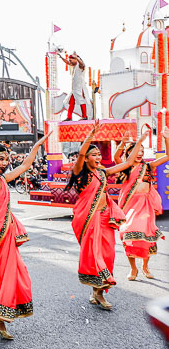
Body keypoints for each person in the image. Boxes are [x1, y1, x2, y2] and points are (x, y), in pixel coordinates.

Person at [0, 121, 49, 339]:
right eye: (0, 159)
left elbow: (25, 166)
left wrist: (37, 146)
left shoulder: (4, 179)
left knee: (11, 274)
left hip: (6, 235)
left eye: (6, 159)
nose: (5, 163)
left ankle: (1, 318)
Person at [68, 122, 144, 310]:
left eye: (99, 155)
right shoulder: (80, 172)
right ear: (86, 159)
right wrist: (91, 136)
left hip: (105, 217)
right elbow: (81, 154)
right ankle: (101, 291)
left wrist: (140, 141)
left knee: (108, 255)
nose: (98, 157)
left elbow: (126, 163)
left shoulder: (102, 172)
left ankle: (96, 292)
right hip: (89, 218)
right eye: (93, 155)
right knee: (95, 255)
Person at [115, 128, 169, 280]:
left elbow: (168, 156)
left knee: (146, 236)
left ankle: (145, 267)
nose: (140, 153)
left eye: (142, 151)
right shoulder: (125, 166)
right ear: (129, 153)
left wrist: (166, 138)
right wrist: (123, 143)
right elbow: (116, 157)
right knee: (128, 234)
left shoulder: (148, 166)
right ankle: (133, 269)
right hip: (129, 206)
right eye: (137, 150)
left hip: (145, 205)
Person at [59, 52, 88, 121]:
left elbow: (82, 64)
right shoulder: (75, 66)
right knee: (71, 103)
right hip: (74, 89)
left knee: (81, 101)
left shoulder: (80, 65)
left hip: (80, 88)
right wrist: (61, 57)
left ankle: (84, 116)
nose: (70, 61)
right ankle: (69, 117)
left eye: (71, 60)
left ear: (75, 59)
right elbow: (68, 63)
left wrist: (77, 58)